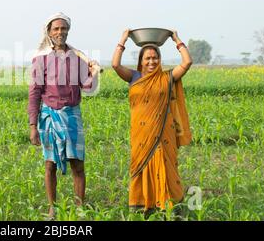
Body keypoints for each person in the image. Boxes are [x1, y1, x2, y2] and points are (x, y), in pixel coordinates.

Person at [111, 29, 193, 217]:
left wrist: (176, 39)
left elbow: (187, 62)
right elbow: (115, 64)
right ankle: (143, 206)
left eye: (155, 58)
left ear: (159, 59)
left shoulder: (167, 77)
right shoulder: (133, 77)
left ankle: (167, 207)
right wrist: (123, 39)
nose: (151, 62)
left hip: (163, 135)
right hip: (140, 135)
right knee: (140, 167)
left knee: (165, 166)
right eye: (147, 58)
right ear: (141, 61)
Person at [28, 12, 99, 219]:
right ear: (49, 32)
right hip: (49, 115)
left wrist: (93, 72)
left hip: (72, 115)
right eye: (56, 28)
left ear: (68, 31)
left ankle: (79, 207)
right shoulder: (40, 59)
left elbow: (87, 87)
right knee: (50, 164)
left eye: (63, 28)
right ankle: (53, 208)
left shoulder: (78, 58)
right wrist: (33, 125)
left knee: (78, 163)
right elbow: (34, 93)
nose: (60, 32)